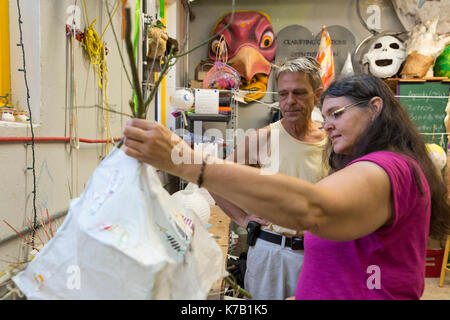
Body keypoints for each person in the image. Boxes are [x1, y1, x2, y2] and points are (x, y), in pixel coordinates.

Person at [122, 74, 450, 299]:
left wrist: (185, 161)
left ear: (375, 109)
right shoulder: (367, 163)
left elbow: (313, 208)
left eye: (337, 113)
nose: (330, 124)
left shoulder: (390, 167)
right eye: (327, 115)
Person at [211, 57, 328, 300]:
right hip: (271, 254)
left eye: (299, 93)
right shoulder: (261, 138)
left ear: (317, 94)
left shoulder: (332, 141)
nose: (290, 101)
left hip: (320, 254)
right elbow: (214, 181)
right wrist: (243, 218)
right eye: (283, 93)